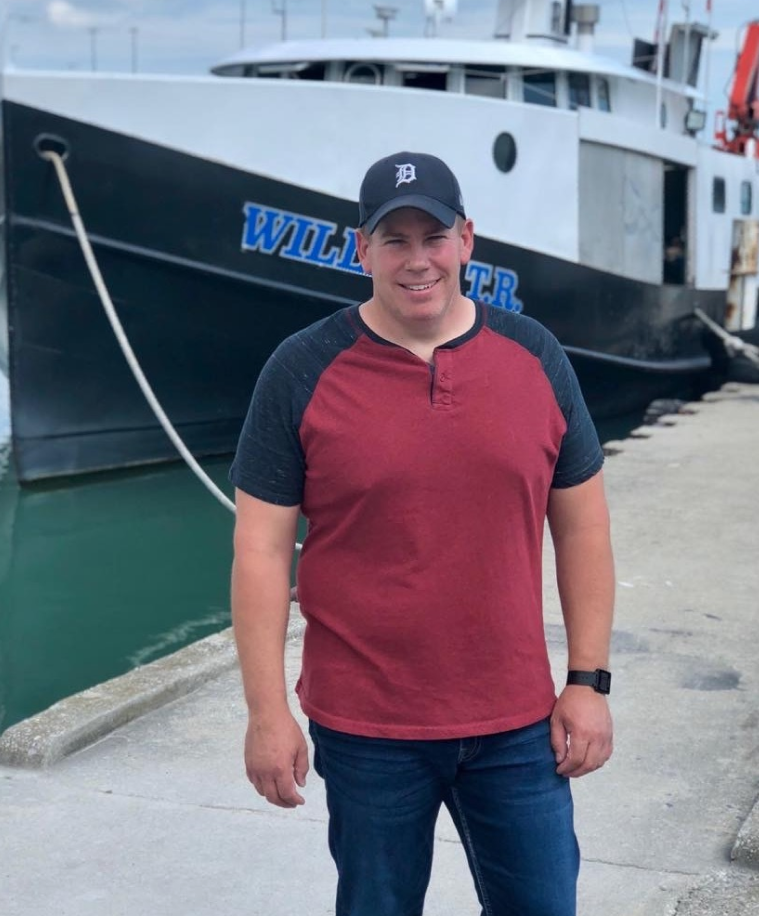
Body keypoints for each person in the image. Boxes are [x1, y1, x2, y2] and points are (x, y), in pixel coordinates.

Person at [229, 150, 614, 916]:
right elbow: (261, 551)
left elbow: (583, 529)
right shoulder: (301, 370)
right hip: (366, 728)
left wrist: (588, 681)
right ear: (360, 248)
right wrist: (268, 714)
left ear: (467, 240)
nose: (417, 260)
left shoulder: (534, 357)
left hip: (515, 723)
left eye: (432, 236)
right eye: (393, 239)